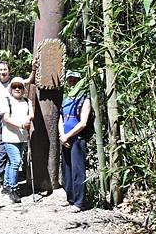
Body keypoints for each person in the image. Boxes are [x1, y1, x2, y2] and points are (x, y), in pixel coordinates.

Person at [0, 60, 37, 188]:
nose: (3, 72)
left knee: (3, 148)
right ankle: (1, 176)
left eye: (5, 69)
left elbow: (29, 80)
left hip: (10, 118)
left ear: (9, 71)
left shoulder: (14, 83)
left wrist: (33, 69)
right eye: (1, 69)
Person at [58, 70, 91, 213]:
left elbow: (83, 122)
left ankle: (79, 202)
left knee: (78, 170)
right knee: (67, 170)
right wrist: (62, 135)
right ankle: (70, 198)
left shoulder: (85, 99)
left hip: (78, 138)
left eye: (75, 80)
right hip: (65, 138)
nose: (72, 83)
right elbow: (61, 118)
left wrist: (68, 135)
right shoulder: (66, 98)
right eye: (70, 80)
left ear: (80, 81)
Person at [0, 76, 34, 203]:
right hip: (10, 136)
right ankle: (14, 189)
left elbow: (32, 114)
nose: (17, 89)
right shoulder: (7, 100)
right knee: (16, 161)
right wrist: (21, 125)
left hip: (22, 137)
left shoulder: (27, 101)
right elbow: (6, 118)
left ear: (24, 89)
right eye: (14, 86)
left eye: (20, 86)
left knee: (11, 162)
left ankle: (7, 185)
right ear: (11, 88)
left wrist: (29, 119)